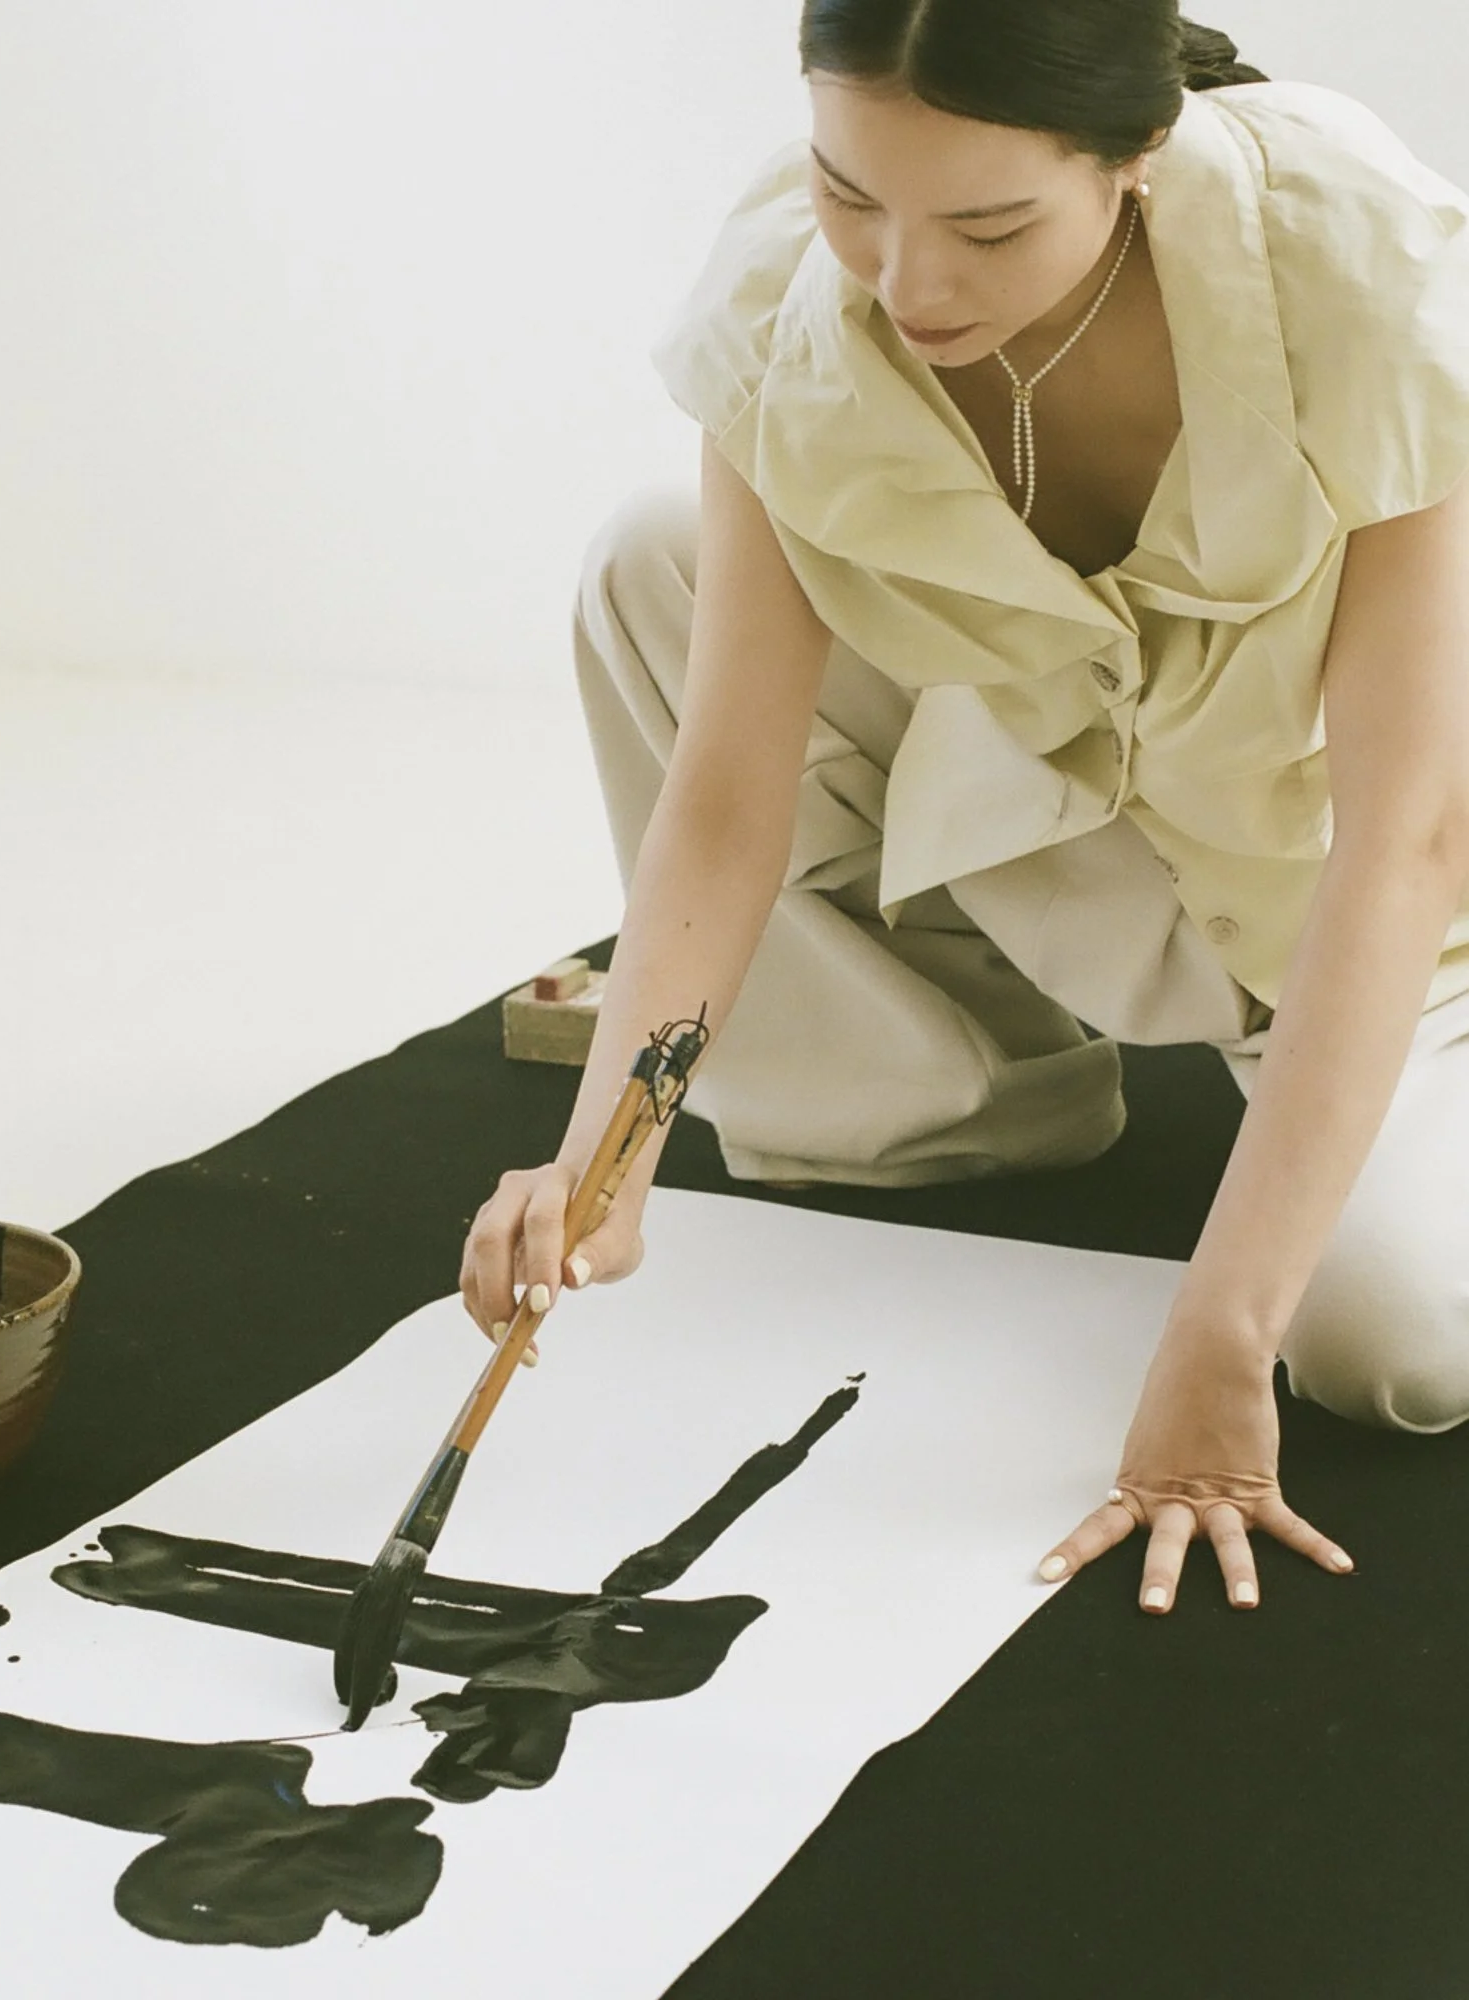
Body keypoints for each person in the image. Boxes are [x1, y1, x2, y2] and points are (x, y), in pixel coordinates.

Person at [460, 4, 1469, 1621]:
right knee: (656, 559)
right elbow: (725, 795)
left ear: (1138, 153)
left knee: (1399, 1351)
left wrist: (1220, 1331)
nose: (905, 282)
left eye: (990, 227)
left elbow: (1410, 834)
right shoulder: (786, 297)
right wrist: (603, 1161)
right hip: (1087, 805)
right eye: (850, 193)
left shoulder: (1359, 262)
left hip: (1396, 908)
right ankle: (962, 1095)